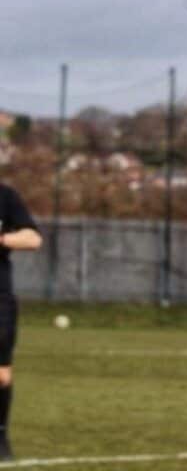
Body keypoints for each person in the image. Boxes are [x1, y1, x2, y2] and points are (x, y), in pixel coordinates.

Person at [0, 183, 42, 461]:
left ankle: (0, 437)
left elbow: (33, 239)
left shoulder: (5, 196)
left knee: (1, 375)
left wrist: (2, 239)